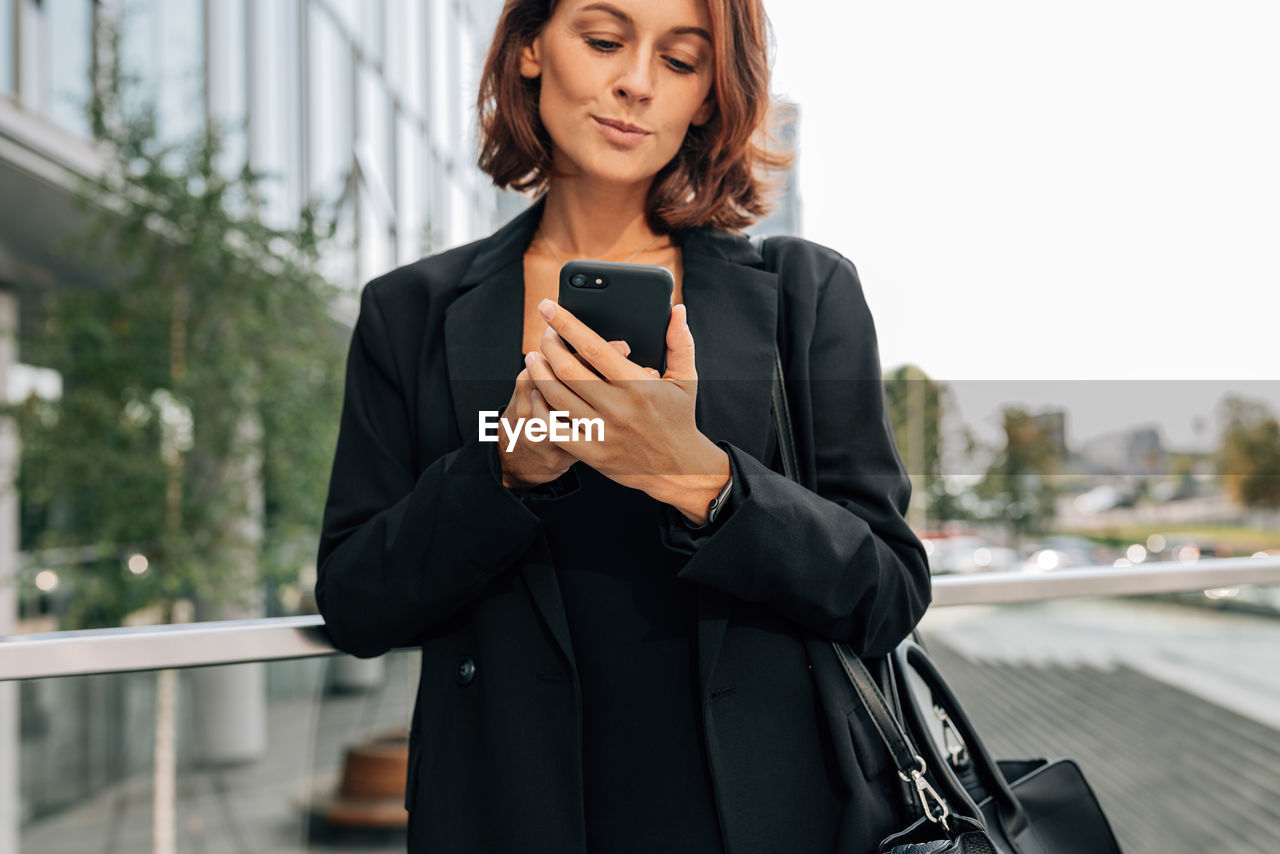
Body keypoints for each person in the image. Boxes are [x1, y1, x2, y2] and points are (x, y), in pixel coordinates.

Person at [314, 0, 931, 851]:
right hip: (506, 816)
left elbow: (888, 592)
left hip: (763, 818)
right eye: (604, 41)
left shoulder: (802, 295)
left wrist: (697, 477)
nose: (635, 84)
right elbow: (355, 604)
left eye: (680, 62)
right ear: (532, 48)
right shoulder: (409, 312)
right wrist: (508, 468)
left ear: (711, 97)